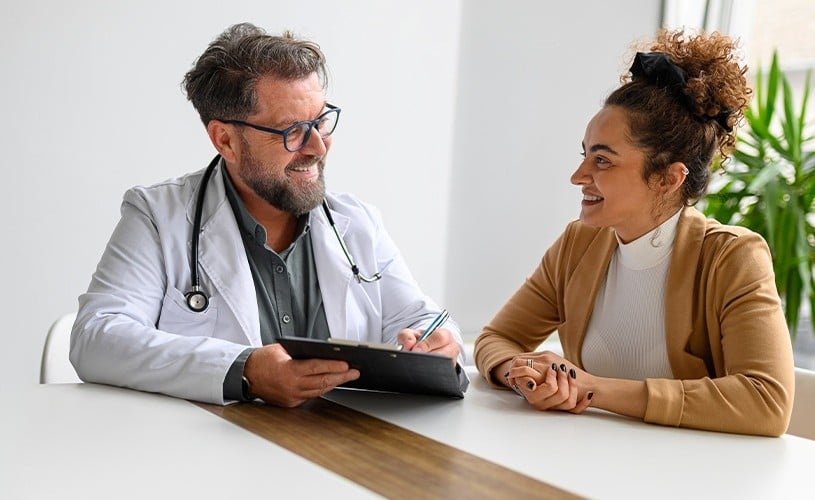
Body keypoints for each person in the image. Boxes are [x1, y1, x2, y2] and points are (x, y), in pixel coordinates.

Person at [70, 22, 467, 407]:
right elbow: (97, 338)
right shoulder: (159, 217)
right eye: (292, 131)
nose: (318, 147)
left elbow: (417, 318)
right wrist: (245, 370)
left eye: (321, 121)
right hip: (208, 444)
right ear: (225, 139)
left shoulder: (357, 222)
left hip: (344, 443)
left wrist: (435, 342)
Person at [474, 28, 795, 437]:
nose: (578, 176)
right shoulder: (578, 243)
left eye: (602, 161)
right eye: (585, 155)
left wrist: (593, 390)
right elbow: (497, 338)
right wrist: (521, 375)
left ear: (668, 178)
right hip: (582, 457)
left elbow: (766, 401)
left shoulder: (732, 258)